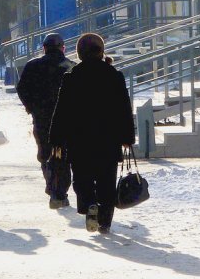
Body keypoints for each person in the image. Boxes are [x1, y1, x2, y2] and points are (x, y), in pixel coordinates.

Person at [49, 33, 135, 234]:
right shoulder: (114, 75)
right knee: (107, 180)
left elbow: (62, 111)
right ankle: (105, 221)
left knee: (82, 179)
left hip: (80, 141)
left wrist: (56, 139)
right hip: (108, 140)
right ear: (101, 51)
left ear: (79, 53)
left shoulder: (72, 77)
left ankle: (89, 205)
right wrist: (127, 137)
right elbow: (123, 108)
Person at [16, 33, 75, 209]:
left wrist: (31, 107)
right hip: (66, 119)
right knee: (63, 156)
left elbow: (22, 89)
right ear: (63, 48)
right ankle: (59, 192)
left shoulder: (32, 66)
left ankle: (51, 182)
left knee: (45, 152)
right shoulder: (70, 67)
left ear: (44, 48)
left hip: (41, 117)